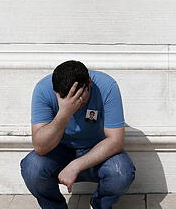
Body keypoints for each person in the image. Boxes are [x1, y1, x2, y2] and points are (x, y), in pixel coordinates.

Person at [20, 60, 135, 209]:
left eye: (79, 97)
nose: (75, 102)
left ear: (89, 83)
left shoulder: (107, 86)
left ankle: (99, 205)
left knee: (122, 172)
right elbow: (40, 147)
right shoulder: (43, 89)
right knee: (32, 168)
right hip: (59, 149)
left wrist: (75, 165)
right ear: (56, 92)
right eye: (65, 98)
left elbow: (116, 141)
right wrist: (64, 113)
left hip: (96, 148)